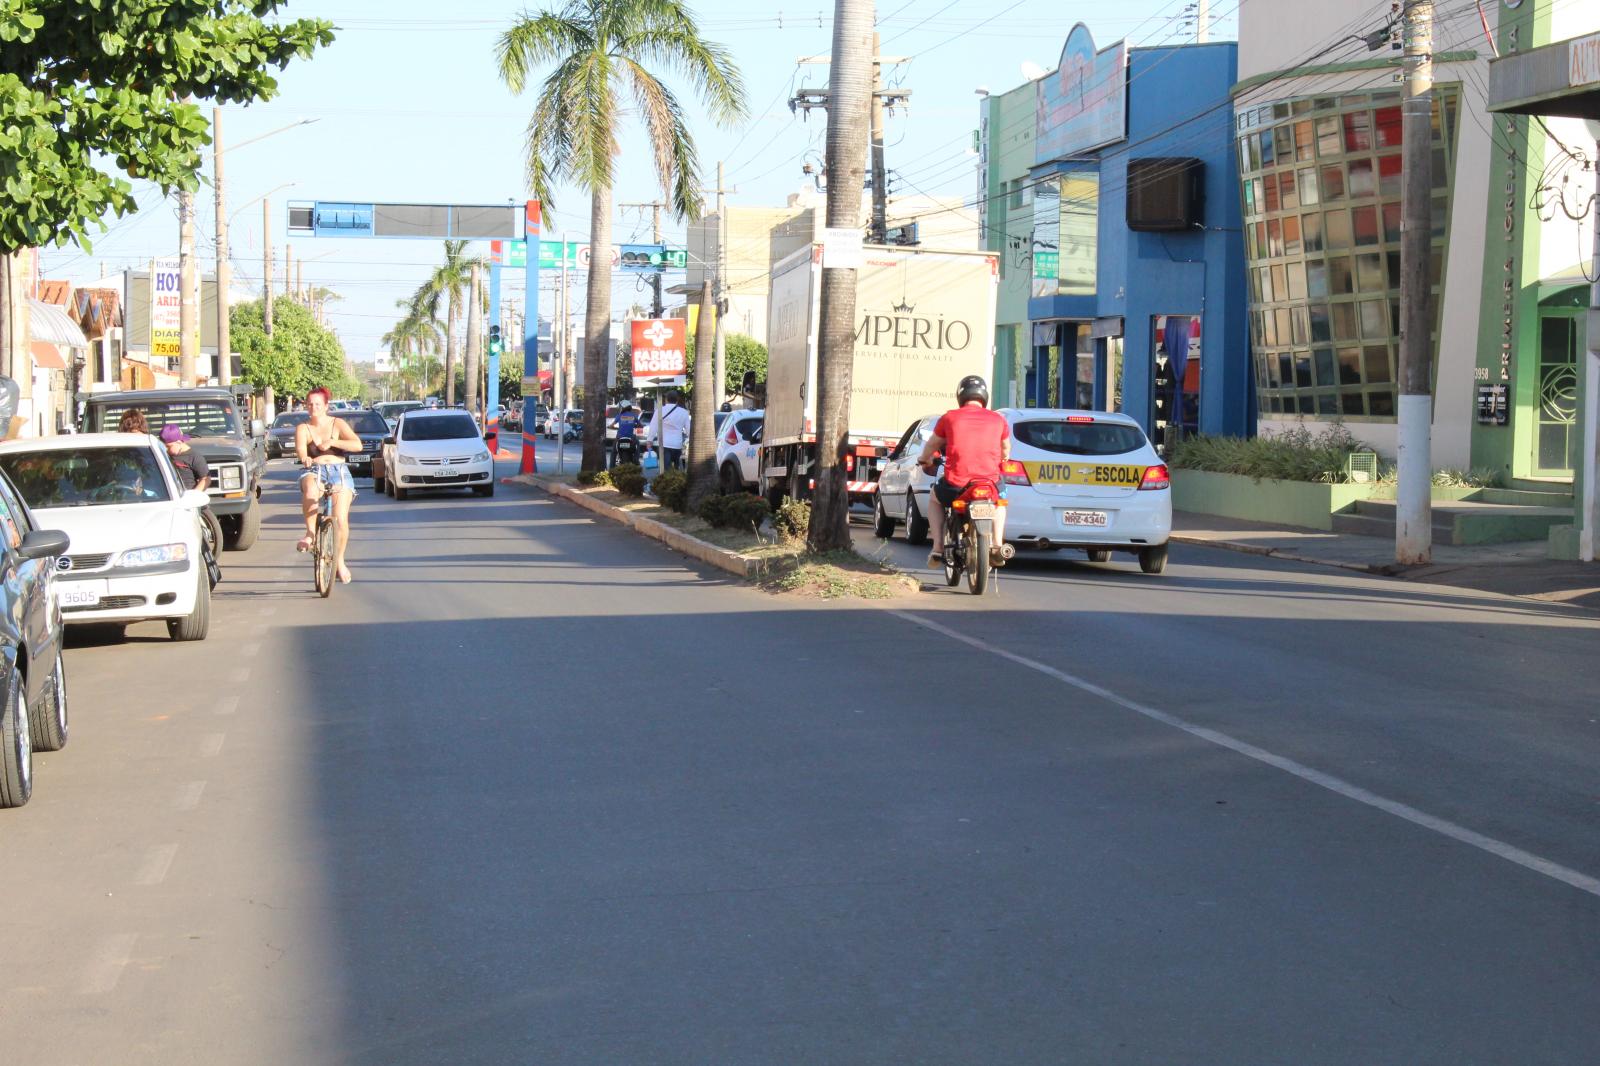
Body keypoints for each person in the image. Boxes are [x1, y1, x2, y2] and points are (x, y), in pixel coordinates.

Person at [917, 374, 1011, 569]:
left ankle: (937, 547)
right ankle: (997, 545)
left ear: (960, 396)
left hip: (957, 485)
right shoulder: (998, 419)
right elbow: (1005, 449)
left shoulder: (949, 417)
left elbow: (932, 444)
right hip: (989, 484)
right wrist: (1002, 460)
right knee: (1000, 501)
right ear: (984, 396)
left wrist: (924, 459)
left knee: (934, 497)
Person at [295, 386, 362, 585]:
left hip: (339, 471)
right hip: (314, 470)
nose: (313, 408)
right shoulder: (303, 428)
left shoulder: (338, 423)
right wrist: (305, 458)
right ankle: (310, 533)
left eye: (317, 404)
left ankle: (339, 560)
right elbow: (300, 449)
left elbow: (357, 445)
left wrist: (334, 441)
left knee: (341, 520)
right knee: (310, 490)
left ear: (326, 406)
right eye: (310, 404)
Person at [647, 390, 691, 470]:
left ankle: (667, 481)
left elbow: (653, 426)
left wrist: (650, 440)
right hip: (677, 444)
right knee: (676, 468)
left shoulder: (659, 411)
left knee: (666, 469)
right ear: (677, 400)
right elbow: (688, 430)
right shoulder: (684, 412)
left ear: (666, 399)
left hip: (664, 444)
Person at [159, 424, 210, 490]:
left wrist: (194, 495)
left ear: (179, 442)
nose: (165, 449)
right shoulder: (165, 454)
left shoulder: (194, 457)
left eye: (168, 446)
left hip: (187, 495)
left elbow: (205, 479)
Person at [608, 402, 640, 466]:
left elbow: (611, 426)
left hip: (619, 437)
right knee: (638, 444)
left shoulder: (619, 415)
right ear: (630, 407)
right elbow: (640, 425)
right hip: (630, 437)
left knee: (613, 452)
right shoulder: (633, 416)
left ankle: (611, 468)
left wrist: (615, 428)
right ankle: (636, 460)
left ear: (623, 408)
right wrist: (634, 426)